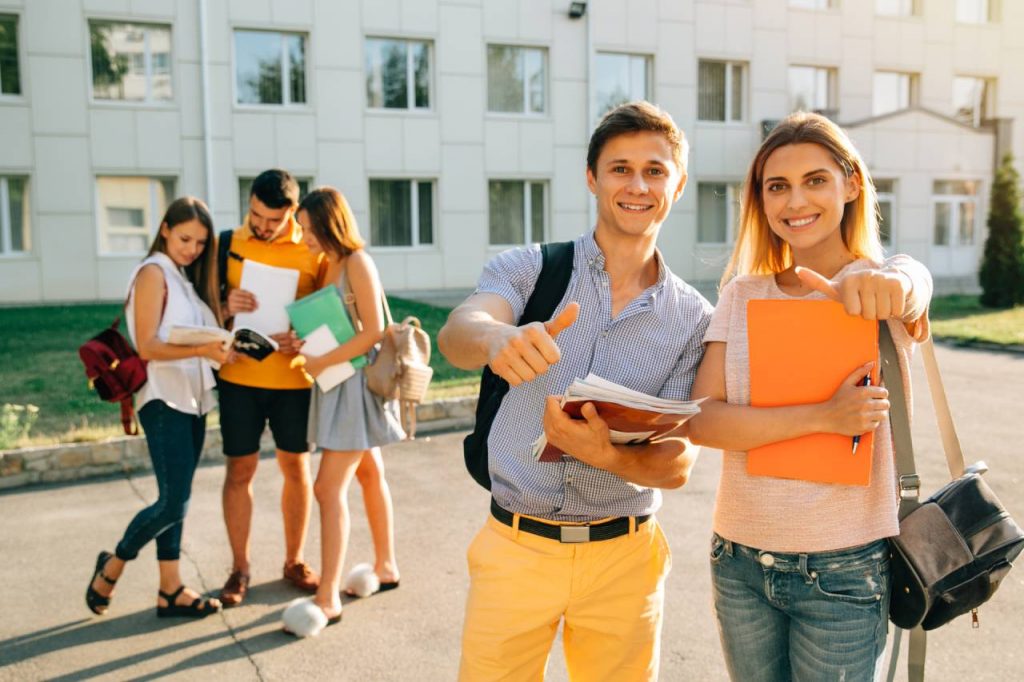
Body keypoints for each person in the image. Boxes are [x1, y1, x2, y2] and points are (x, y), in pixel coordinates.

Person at [438, 101, 713, 680]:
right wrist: (496, 341)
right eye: (619, 168)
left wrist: (606, 455)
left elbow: (678, 462)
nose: (637, 185)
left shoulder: (694, 317)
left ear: (678, 184)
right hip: (516, 548)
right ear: (592, 178)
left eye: (655, 170)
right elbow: (459, 332)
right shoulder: (530, 269)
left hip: (626, 560)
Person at [687, 111, 932, 681]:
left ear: (850, 183)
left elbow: (916, 286)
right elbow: (703, 421)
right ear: (762, 201)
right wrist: (824, 416)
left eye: (815, 180)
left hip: (845, 569)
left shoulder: (882, 290)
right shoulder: (742, 295)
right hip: (739, 560)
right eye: (778, 186)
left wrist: (898, 279)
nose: (795, 200)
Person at [85, 196, 231, 618]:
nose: (192, 249)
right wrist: (207, 346)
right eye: (185, 238)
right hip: (163, 398)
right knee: (172, 502)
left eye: (201, 244)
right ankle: (112, 565)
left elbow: (189, 333)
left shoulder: (182, 277)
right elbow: (148, 345)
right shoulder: (152, 273)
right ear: (165, 228)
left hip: (193, 397)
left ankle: (171, 590)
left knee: (178, 497)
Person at [280, 186, 404, 633]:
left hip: (353, 387)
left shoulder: (357, 262)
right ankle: (386, 565)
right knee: (369, 473)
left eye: (308, 229)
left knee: (326, 489)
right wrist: (304, 344)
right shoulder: (328, 264)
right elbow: (337, 326)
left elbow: (373, 331)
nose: (303, 236)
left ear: (329, 225)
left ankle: (328, 595)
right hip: (338, 383)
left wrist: (318, 360)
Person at [217, 169, 329, 606]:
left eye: (273, 221)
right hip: (238, 379)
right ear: (249, 203)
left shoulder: (311, 249)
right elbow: (202, 305)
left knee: (296, 469)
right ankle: (239, 567)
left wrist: (301, 335)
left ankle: (294, 560)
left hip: (293, 378)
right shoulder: (227, 243)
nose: (263, 227)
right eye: (257, 216)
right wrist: (226, 305)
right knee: (239, 472)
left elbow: (327, 315)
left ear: (292, 214)